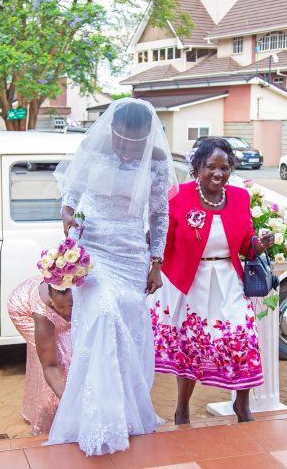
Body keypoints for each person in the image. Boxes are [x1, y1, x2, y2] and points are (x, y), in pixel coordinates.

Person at [47, 98, 178, 455]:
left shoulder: (157, 162)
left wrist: (156, 262)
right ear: (112, 130)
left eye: (135, 142)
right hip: (92, 252)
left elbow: (159, 216)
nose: (126, 148)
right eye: (121, 139)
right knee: (103, 317)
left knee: (127, 335)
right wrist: (68, 214)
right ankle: (96, 419)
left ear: (147, 137)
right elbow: (71, 193)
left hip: (132, 254)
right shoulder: (93, 148)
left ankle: (124, 413)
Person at [150, 137, 274, 424]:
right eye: (211, 167)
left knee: (243, 339)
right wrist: (156, 271)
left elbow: (245, 245)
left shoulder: (240, 197)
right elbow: (163, 242)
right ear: (197, 167)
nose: (218, 174)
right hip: (190, 283)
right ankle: (182, 409)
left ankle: (242, 406)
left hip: (228, 280)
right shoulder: (178, 195)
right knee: (191, 346)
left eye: (224, 168)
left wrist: (260, 243)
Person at [7, 276, 73, 435]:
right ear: (52, 299)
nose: (67, 313)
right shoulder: (42, 314)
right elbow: (50, 365)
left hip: (38, 295)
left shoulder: (77, 291)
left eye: (70, 306)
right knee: (59, 358)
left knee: (70, 348)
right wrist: (70, 403)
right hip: (21, 309)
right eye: (61, 308)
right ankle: (49, 415)